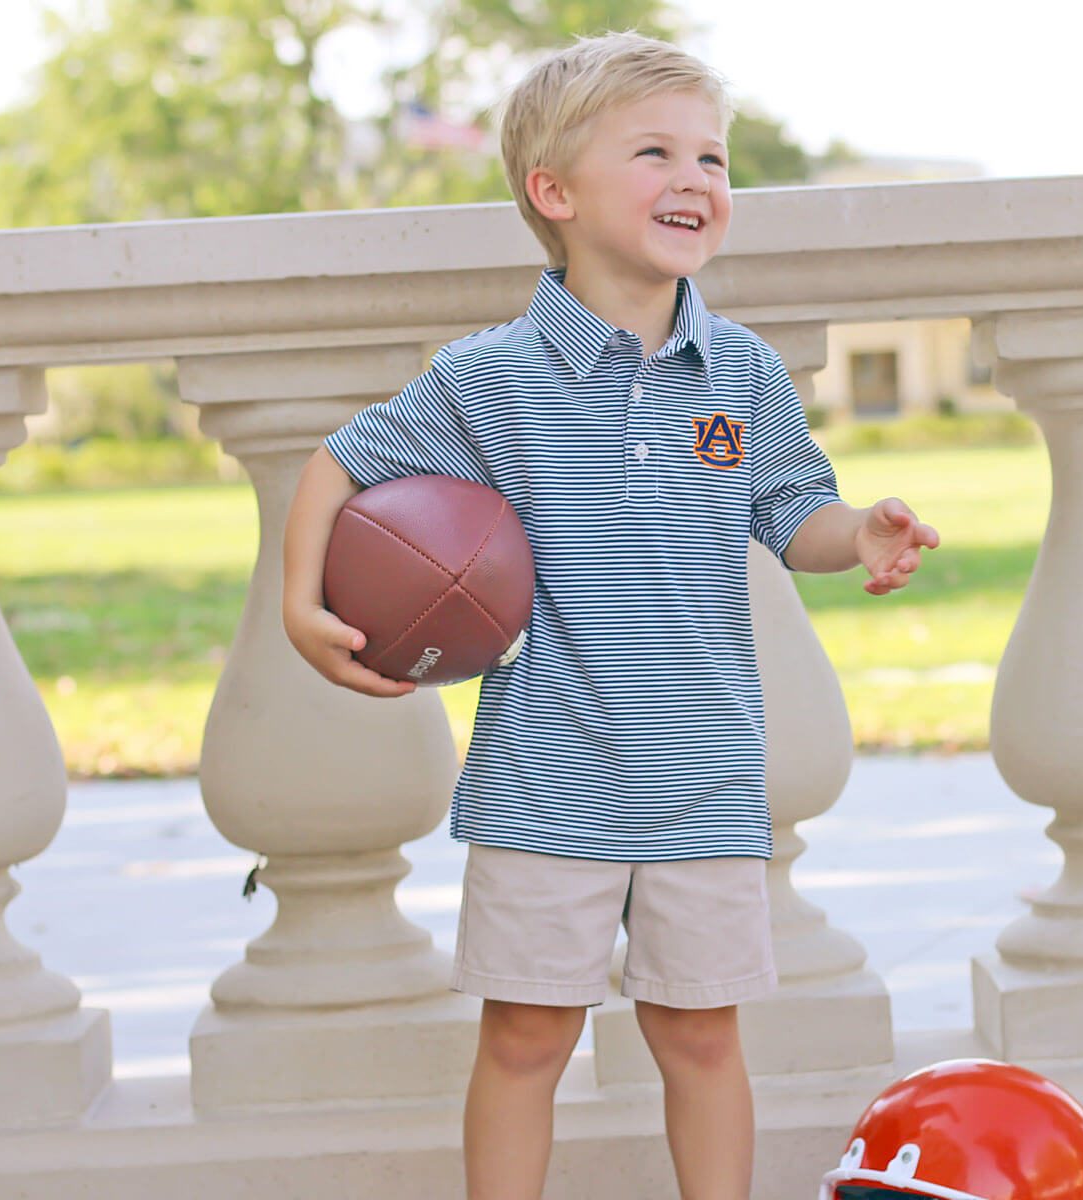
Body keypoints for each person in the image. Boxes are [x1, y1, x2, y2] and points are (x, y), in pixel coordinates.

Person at [282, 30, 939, 1200]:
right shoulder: (488, 376)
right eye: (656, 152)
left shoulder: (739, 372)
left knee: (701, 1040)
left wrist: (862, 534)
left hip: (705, 773)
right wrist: (301, 608)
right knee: (526, 1040)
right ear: (556, 192)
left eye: (714, 158)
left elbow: (796, 511)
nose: (697, 178)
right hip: (547, 776)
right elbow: (340, 461)